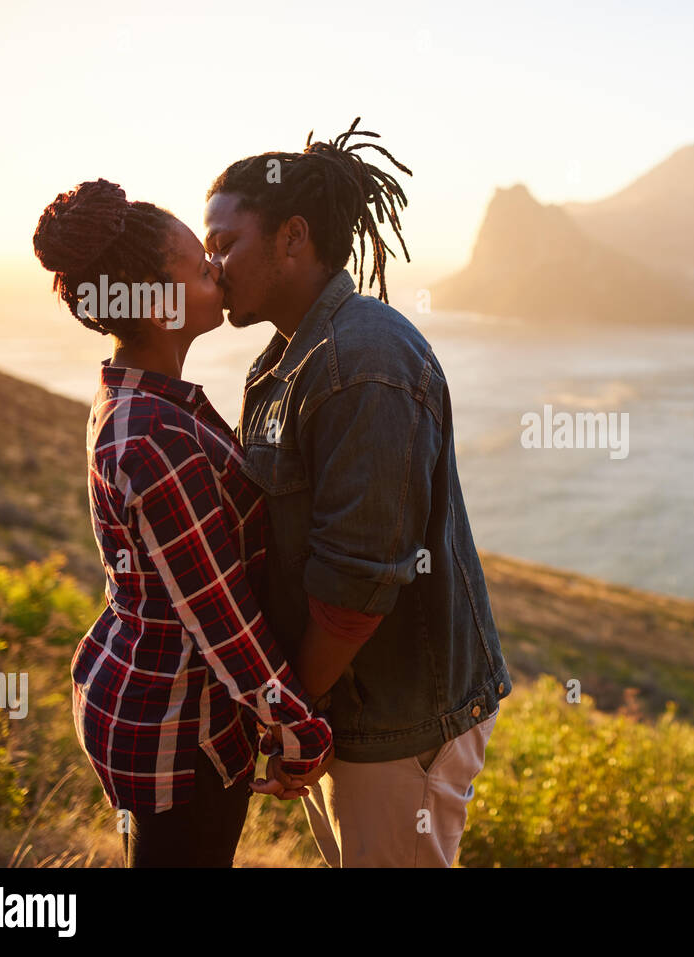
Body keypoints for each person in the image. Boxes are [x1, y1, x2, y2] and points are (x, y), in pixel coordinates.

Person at [203, 116, 512, 867]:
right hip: (355, 706)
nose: (213, 267)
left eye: (224, 244)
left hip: (399, 718)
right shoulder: (286, 359)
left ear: (293, 237)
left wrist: (288, 715)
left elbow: (357, 583)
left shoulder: (360, 360)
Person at [31, 179, 333, 867]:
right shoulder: (152, 436)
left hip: (154, 700)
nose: (218, 271)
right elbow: (217, 613)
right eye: (201, 266)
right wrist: (299, 727)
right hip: (170, 727)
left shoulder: (142, 400)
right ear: (158, 301)